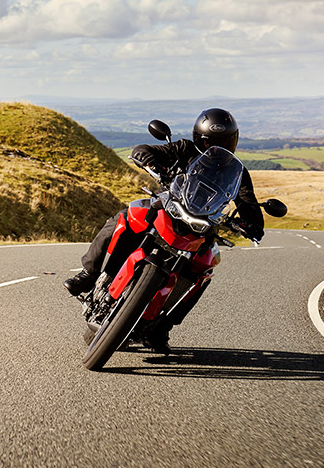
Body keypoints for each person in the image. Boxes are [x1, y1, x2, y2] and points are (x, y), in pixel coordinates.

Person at [63, 108, 265, 353]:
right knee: (125, 218)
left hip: (202, 228)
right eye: (209, 141)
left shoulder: (237, 172)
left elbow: (247, 200)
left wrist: (252, 224)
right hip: (167, 208)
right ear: (198, 138)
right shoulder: (184, 149)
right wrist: (150, 160)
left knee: (204, 268)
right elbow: (144, 150)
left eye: (223, 142)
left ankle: (161, 326)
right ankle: (90, 273)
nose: (215, 147)